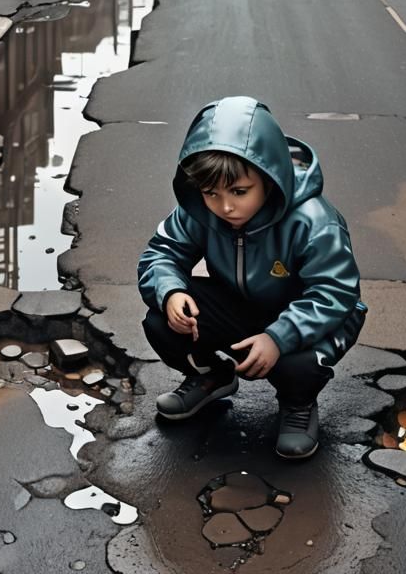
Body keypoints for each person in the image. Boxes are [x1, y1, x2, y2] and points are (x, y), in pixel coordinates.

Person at [137, 96, 366, 459]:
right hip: (244, 306)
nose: (225, 207)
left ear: (270, 177)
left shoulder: (313, 220)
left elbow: (335, 292)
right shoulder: (199, 210)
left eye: (239, 192)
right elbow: (162, 253)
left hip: (309, 317)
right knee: (161, 320)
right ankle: (212, 376)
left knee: (297, 364)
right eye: (211, 193)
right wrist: (170, 292)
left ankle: (298, 404)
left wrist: (279, 337)